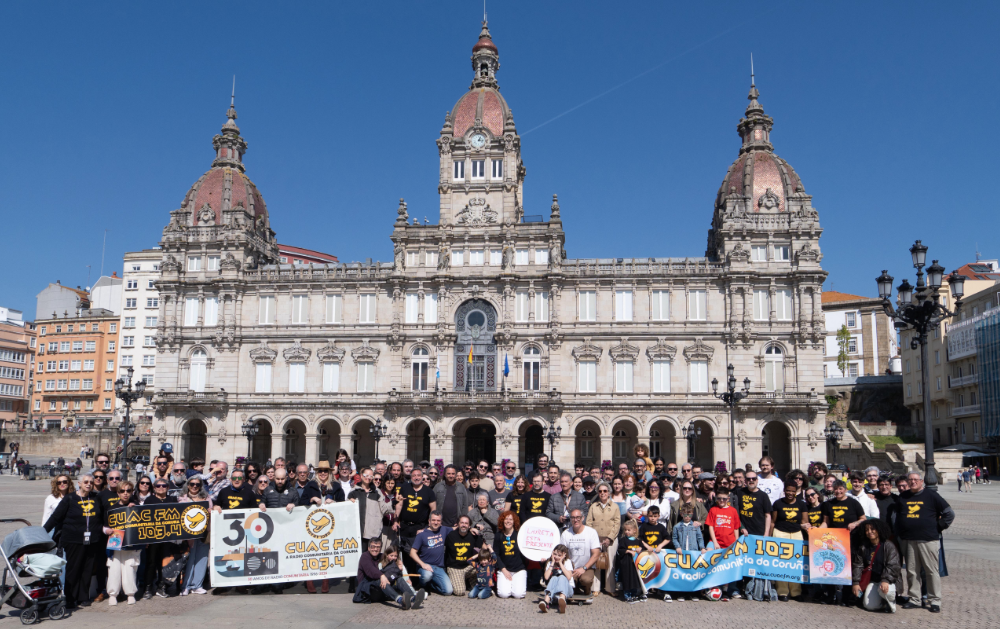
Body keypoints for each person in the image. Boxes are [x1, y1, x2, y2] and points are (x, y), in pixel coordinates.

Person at [896, 471, 954, 613]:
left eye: (916, 479)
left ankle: (934, 600)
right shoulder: (903, 497)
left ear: (922, 481)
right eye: (910, 479)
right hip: (909, 539)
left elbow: (949, 513)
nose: (913, 482)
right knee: (912, 571)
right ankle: (914, 599)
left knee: (931, 571)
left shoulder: (931, 495)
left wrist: (938, 527)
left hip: (928, 539)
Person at [44, 474, 105, 609]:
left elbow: (103, 516)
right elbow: (55, 517)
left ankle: (83, 597)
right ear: (79, 483)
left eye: (91, 482)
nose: (89, 484)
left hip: (92, 540)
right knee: (73, 569)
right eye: (86, 482)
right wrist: (42, 532)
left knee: (87, 569)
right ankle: (70, 598)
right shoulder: (70, 498)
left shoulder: (96, 498)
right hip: (73, 540)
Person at [820, 480, 867, 606]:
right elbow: (826, 522)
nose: (838, 491)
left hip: (850, 540)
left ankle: (847, 597)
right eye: (836, 489)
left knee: (848, 568)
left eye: (840, 489)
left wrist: (855, 524)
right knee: (831, 566)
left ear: (845, 489)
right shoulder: (828, 504)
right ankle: (831, 595)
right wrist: (817, 531)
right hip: (833, 541)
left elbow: (863, 519)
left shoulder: (853, 503)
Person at [355, 538, 424, 609]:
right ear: (368, 548)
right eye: (373, 547)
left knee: (399, 579)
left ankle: (412, 598)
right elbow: (371, 571)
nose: (375, 549)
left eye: (378, 547)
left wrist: (400, 565)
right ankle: (400, 600)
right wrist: (382, 576)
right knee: (380, 580)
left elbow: (392, 564)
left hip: (382, 589)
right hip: (368, 590)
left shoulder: (381, 556)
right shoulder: (365, 556)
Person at [851, 518, 901, 613]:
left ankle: (890, 601)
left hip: (888, 580)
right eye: (867, 530)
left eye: (872, 529)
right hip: (873, 581)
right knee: (869, 606)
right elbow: (858, 565)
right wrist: (856, 582)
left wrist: (885, 580)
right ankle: (882, 602)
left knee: (886, 591)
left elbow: (893, 566)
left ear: (879, 529)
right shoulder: (863, 547)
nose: (869, 532)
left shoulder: (888, 546)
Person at [769, 482, 807, 601]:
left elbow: (805, 522)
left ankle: (796, 592)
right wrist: (769, 537)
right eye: (788, 491)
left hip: (796, 533)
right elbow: (773, 522)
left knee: (796, 563)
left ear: (796, 492)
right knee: (781, 563)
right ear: (784, 491)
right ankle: (782, 592)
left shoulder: (801, 504)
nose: (790, 493)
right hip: (780, 532)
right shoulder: (778, 503)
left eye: (793, 491)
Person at [143, 478, 179, 599]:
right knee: (151, 562)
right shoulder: (149, 500)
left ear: (168, 488)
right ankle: (148, 587)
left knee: (164, 564)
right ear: (154, 487)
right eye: (158, 486)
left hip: (168, 537)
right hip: (153, 537)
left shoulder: (172, 499)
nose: (161, 488)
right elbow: (144, 519)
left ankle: (161, 586)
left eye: (164, 486)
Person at [105, 480, 139, 605]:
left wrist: (135, 508)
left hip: (131, 543)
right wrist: (107, 530)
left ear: (132, 492)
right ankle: (113, 594)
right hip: (116, 542)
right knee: (114, 568)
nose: (125, 493)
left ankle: (130, 593)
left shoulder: (136, 506)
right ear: (118, 493)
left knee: (130, 568)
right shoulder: (112, 508)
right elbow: (105, 525)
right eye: (122, 491)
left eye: (128, 491)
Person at [396, 467, 437, 569]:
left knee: (417, 553)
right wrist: (396, 520)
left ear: (422, 477)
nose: (416, 477)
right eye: (414, 475)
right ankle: (406, 578)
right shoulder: (405, 488)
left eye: (419, 475)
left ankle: (418, 581)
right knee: (404, 553)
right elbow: (399, 505)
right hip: (405, 526)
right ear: (411, 477)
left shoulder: (429, 492)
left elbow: (433, 510)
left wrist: (428, 527)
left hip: (420, 528)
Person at [585, 482, 621, 595]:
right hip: (596, 539)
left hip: (611, 540)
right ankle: (596, 588)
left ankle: (610, 588)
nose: (602, 493)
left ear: (609, 492)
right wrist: (595, 539)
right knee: (597, 563)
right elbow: (588, 522)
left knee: (610, 563)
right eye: (600, 491)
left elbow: (617, 523)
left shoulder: (615, 507)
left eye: (605, 491)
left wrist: (610, 538)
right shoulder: (593, 506)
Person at [178, 477, 212, 596]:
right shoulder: (182, 498)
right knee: (189, 560)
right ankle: (185, 586)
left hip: (204, 532)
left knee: (202, 559)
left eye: (197, 484)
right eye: (192, 484)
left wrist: (211, 510)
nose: (194, 486)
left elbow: (211, 512)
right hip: (188, 535)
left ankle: (197, 585)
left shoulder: (206, 497)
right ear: (188, 485)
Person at [705, 488, 740, 600]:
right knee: (708, 558)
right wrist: (714, 542)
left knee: (727, 567)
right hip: (715, 542)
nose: (721, 501)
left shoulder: (733, 511)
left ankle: (726, 591)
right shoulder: (713, 510)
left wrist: (736, 542)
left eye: (724, 499)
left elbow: (736, 528)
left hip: (729, 543)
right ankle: (711, 586)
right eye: (719, 498)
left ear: (728, 499)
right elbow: (710, 526)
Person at [349, 467, 392, 552]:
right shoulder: (354, 491)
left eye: (370, 476)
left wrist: (394, 503)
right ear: (361, 476)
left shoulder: (377, 492)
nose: (368, 478)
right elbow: (347, 510)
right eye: (366, 475)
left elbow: (384, 509)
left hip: (373, 532)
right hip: (358, 532)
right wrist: (349, 502)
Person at [410, 511, 453, 595]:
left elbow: (458, 528)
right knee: (427, 575)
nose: (436, 522)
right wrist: (423, 564)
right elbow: (412, 552)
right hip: (425, 566)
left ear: (441, 522)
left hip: (438, 567)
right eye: (433, 520)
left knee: (448, 591)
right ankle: (423, 585)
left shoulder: (444, 529)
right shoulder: (422, 534)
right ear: (429, 521)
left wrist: (471, 528)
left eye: (438, 520)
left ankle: (431, 585)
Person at [560, 509, 600, 599]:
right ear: (570, 519)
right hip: (571, 567)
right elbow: (561, 553)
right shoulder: (566, 533)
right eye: (573, 517)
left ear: (583, 518)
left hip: (587, 567)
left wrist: (584, 568)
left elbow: (596, 554)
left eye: (578, 517)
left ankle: (587, 589)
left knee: (585, 580)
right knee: (568, 580)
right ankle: (575, 588)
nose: (575, 520)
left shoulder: (591, 532)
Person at [443, 515, 481, 595]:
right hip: (455, 567)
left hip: (468, 566)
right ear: (457, 524)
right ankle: (460, 580)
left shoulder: (473, 535)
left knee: (484, 568)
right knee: (459, 592)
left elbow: (483, 547)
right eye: (462, 523)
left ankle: (470, 580)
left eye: (466, 523)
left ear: (469, 525)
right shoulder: (451, 536)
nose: (464, 525)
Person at [494, 510, 527, 599]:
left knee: (518, 595)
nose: (508, 521)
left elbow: (528, 550)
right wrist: (503, 569)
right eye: (506, 519)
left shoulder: (519, 534)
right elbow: (496, 554)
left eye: (511, 519)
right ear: (502, 520)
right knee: (503, 594)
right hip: (504, 569)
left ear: (514, 522)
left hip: (519, 569)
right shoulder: (498, 535)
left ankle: (515, 585)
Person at [616, 519, 646, 603]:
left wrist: (641, 548)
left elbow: (643, 548)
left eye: (629, 530)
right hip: (626, 564)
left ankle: (634, 594)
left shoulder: (638, 540)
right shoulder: (623, 540)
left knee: (635, 580)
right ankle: (627, 595)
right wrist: (628, 551)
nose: (626, 532)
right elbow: (620, 550)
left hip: (635, 565)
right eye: (625, 530)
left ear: (634, 530)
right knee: (627, 579)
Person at [433, 464, 472, 528]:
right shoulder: (438, 487)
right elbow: (433, 504)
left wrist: (461, 521)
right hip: (440, 523)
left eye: (453, 474)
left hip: (456, 524)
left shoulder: (461, 487)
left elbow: (464, 506)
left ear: (456, 475)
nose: (451, 476)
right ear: (445, 474)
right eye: (448, 473)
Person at [539, 544, 574, 613]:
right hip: (554, 591)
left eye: (559, 555)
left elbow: (569, 576)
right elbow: (546, 577)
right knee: (554, 577)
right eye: (555, 554)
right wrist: (552, 563)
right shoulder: (550, 563)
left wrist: (561, 563)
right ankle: (546, 602)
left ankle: (562, 601)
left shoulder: (567, 562)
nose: (556, 557)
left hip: (568, 591)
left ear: (564, 555)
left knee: (561, 577)